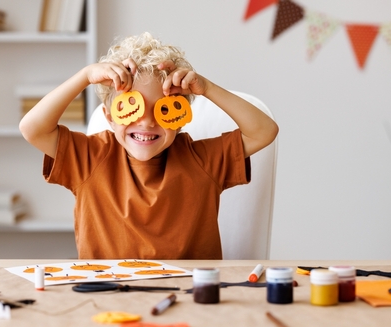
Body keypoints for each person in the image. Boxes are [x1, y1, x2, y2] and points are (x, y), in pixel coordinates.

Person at [19, 32, 278, 260]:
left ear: (180, 119)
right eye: (131, 107)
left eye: (162, 111)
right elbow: (32, 129)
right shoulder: (89, 158)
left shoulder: (202, 161)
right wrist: (85, 76)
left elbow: (265, 131)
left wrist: (207, 88)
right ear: (109, 116)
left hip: (189, 297)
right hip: (107, 295)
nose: (146, 122)